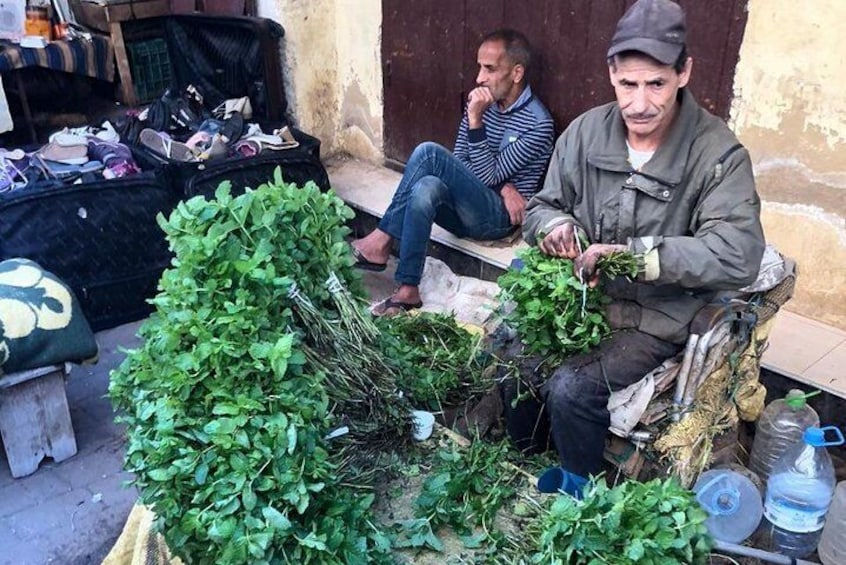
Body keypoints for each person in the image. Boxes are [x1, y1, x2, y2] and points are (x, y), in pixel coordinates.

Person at [504, 0, 765, 495]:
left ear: (683, 72)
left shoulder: (717, 155)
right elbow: (540, 207)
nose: (640, 104)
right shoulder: (583, 133)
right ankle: (521, 460)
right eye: (628, 84)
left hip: (656, 316)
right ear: (611, 75)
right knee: (512, 360)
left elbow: (738, 252)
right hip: (586, 300)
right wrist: (555, 225)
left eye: (656, 84)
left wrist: (632, 258)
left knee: (571, 387)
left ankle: (582, 492)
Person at [352, 29, 554, 316]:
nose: (479, 78)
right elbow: (459, 162)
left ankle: (382, 239)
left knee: (429, 153)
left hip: (497, 218)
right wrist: (505, 186)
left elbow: (483, 175)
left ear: (517, 73)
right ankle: (408, 289)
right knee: (427, 187)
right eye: (479, 67)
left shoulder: (538, 124)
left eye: (490, 69)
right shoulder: (482, 103)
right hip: (471, 207)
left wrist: (475, 120)